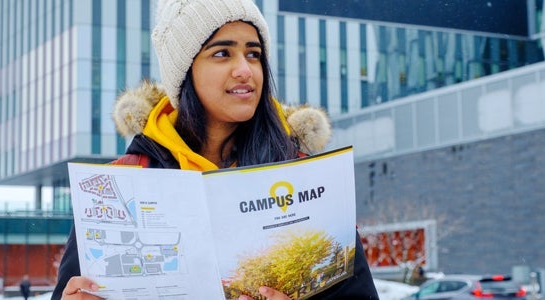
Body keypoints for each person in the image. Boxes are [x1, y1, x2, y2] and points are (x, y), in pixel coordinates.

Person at [50, 0, 378, 299]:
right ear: (184, 73)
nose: (245, 70)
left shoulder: (305, 178)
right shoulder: (120, 185)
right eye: (222, 53)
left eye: (254, 54)